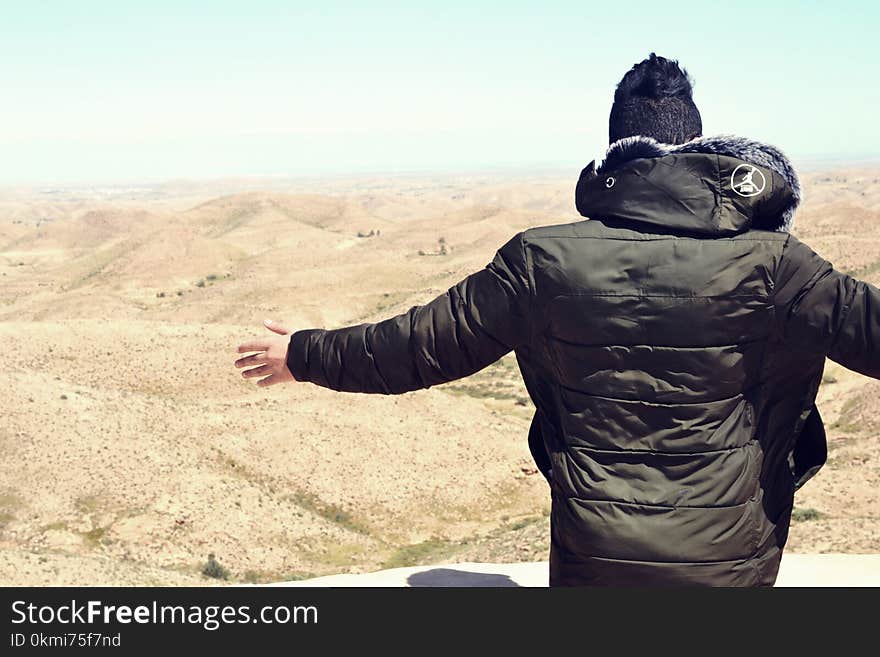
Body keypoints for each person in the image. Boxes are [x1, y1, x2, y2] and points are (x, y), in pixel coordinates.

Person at [234, 53, 880, 586]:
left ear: (617, 152)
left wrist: (302, 353)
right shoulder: (779, 265)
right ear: (700, 145)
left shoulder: (542, 259)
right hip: (729, 565)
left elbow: (416, 346)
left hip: (591, 560)